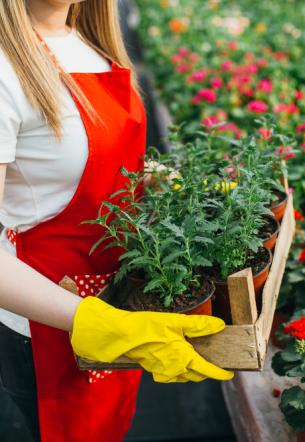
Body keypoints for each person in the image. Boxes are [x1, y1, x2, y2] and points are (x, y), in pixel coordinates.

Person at [0, 1, 233, 441]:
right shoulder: (6, 67)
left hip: (122, 297)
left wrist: (161, 187)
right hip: (51, 321)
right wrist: (94, 322)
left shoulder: (91, 44)